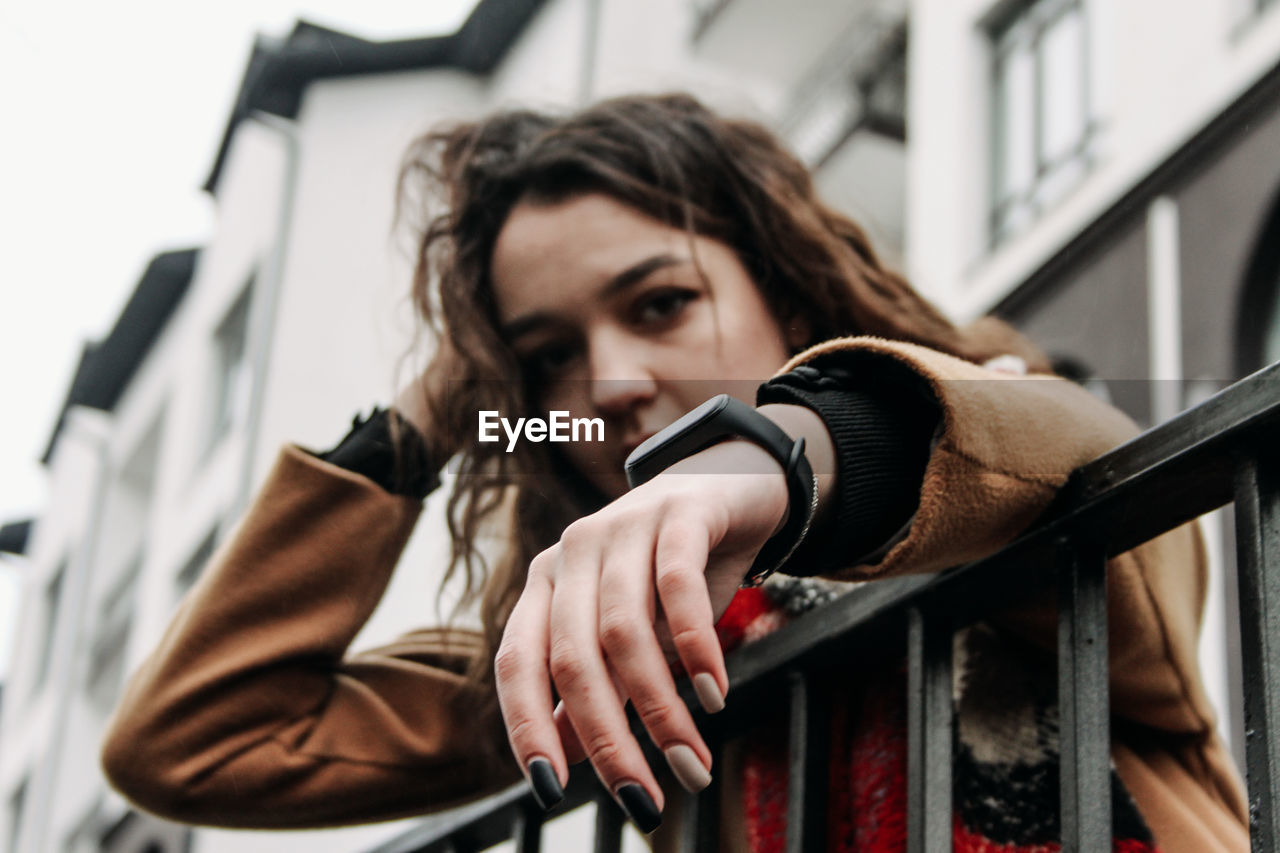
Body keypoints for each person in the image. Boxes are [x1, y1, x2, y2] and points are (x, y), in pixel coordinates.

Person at [100, 93, 1247, 852]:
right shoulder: (584, 652)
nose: (605, 380)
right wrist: (429, 419)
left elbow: (1066, 443)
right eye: (547, 357)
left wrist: (775, 465)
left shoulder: (993, 424)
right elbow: (195, 742)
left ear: (785, 292)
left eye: (660, 303)